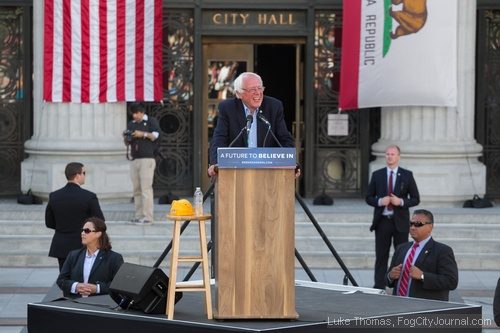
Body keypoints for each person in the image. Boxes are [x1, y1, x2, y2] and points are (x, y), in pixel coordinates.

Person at [207, 72, 299, 177]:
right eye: (252, 89)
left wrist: (292, 164)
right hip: (235, 173)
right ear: (238, 93)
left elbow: (285, 140)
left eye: (260, 88)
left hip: (267, 173)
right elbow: (219, 139)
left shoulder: (274, 107)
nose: (258, 93)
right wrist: (215, 164)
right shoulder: (227, 108)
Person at [366, 145, 420, 289]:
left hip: (400, 223)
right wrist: (379, 201)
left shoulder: (407, 175)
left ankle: (398, 285)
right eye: (387, 154)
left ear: (398, 157)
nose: (389, 156)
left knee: (401, 256)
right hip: (383, 221)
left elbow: (415, 198)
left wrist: (400, 201)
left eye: (392, 154)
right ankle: (379, 285)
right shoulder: (377, 175)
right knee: (381, 256)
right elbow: (368, 197)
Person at [387, 209, 458, 301]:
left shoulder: (443, 251)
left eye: (418, 224)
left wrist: (422, 276)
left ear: (430, 227)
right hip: (398, 305)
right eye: (411, 224)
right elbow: (388, 278)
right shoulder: (401, 248)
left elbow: (451, 281)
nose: (412, 227)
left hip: (425, 309)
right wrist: (390, 276)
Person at [46, 162, 105, 272]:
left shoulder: (54, 196)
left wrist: (63, 228)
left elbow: (49, 223)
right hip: (84, 244)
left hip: (61, 244)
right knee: (83, 280)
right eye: (84, 173)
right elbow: (100, 222)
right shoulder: (89, 196)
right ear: (77, 175)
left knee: (66, 279)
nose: (84, 175)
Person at [57, 217, 124, 298]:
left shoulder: (114, 258)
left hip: (100, 306)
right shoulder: (73, 255)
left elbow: (120, 285)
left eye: (87, 231)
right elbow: (61, 280)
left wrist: (97, 288)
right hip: (75, 305)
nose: (82, 233)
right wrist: (75, 286)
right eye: (82, 230)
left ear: (98, 234)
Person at [124, 103, 160, 225]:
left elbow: (156, 135)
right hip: (135, 159)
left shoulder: (151, 121)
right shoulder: (131, 124)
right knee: (137, 189)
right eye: (133, 113)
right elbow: (128, 140)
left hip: (147, 158)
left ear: (142, 112)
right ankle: (139, 215)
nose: (135, 116)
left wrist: (142, 134)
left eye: (136, 113)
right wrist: (127, 137)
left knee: (146, 188)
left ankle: (148, 217)